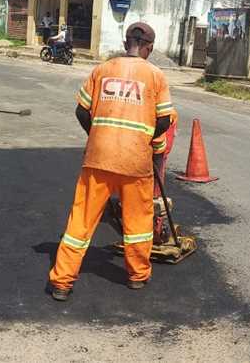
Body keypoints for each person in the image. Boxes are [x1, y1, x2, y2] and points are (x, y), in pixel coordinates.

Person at [48, 22, 175, 301]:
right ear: (149, 48)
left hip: (98, 158)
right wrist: (149, 146)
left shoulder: (103, 69)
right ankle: (137, 276)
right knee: (138, 221)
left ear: (124, 41)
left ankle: (62, 282)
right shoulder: (155, 75)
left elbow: (81, 111)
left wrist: (97, 134)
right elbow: (164, 119)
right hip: (135, 162)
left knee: (80, 221)